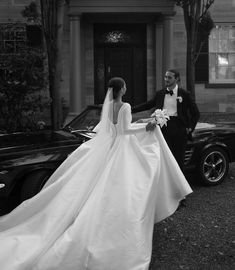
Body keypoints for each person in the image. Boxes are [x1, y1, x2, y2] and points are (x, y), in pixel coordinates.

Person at [0, 77, 192, 270]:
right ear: (121, 89)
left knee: (97, 184)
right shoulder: (125, 106)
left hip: (109, 145)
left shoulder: (108, 105)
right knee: (127, 183)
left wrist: (142, 123)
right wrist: (147, 127)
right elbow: (125, 131)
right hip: (121, 148)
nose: (126, 87)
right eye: (125, 85)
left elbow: (110, 129)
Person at [132, 69, 200, 172]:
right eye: (165, 77)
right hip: (164, 128)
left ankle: (179, 185)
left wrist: (190, 128)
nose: (166, 79)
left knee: (179, 158)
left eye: (169, 77)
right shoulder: (160, 93)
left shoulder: (184, 94)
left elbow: (196, 113)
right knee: (164, 156)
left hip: (179, 128)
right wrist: (131, 109)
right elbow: (148, 104)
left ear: (176, 79)